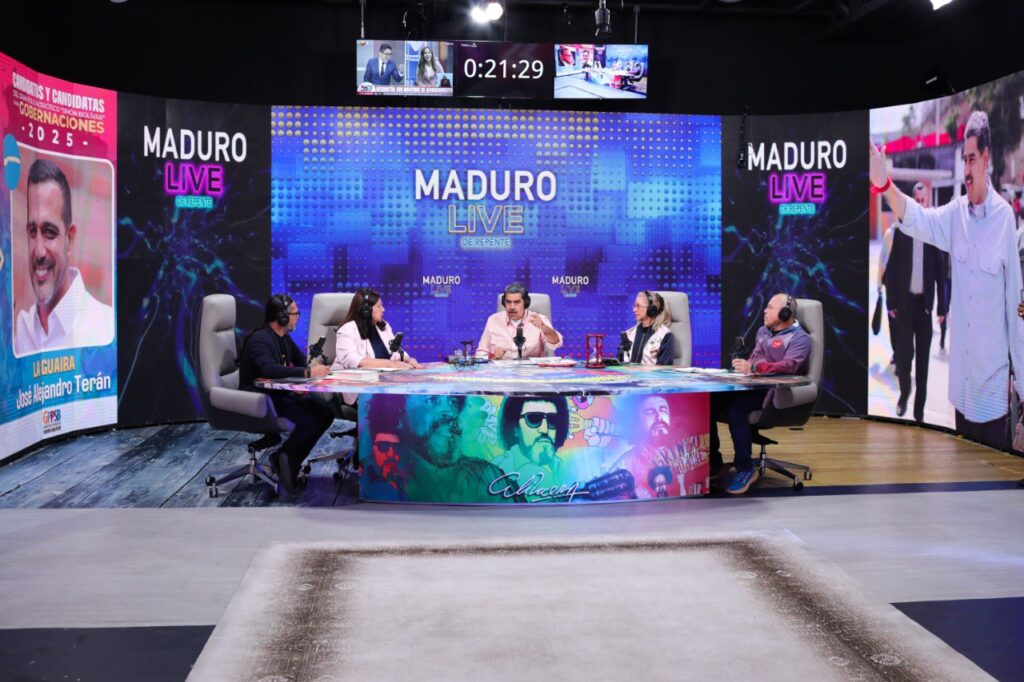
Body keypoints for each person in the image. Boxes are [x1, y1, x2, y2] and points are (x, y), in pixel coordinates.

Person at [870, 110, 1024, 448]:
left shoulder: (1004, 220)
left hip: (992, 397)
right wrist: (885, 185)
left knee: (992, 479)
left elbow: (1016, 314)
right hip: (961, 395)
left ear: (986, 158)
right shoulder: (955, 214)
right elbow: (918, 219)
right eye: (963, 160)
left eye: (972, 159)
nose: (967, 169)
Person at [709, 294, 812, 495]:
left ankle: (745, 468)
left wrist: (755, 367)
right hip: (751, 386)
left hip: (773, 393)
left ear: (785, 313)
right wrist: (744, 367)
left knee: (736, 410)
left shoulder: (800, 338)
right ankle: (715, 463)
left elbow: (790, 366)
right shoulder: (763, 332)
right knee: (708, 402)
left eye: (770, 307)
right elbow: (755, 359)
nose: (764, 310)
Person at [14, 158, 114, 355]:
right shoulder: (20, 332)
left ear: (70, 238)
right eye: (32, 231)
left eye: (50, 232)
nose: (39, 251)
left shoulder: (105, 328)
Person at [238, 294, 334, 494]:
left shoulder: (282, 337)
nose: (298, 317)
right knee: (310, 420)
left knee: (326, 411)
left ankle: (289, 460)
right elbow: (268, 369)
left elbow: (300, 361)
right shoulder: (260, 339)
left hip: (278, 392)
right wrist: (306, 374)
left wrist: (312, 370)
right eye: (295, 313)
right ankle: (284, 458)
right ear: (282, 317)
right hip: (260, 398)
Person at [884, 182, 947, 421]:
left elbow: (941, 272)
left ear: (927, 201)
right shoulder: (903, 230)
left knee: (923, 361)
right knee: (903, 356)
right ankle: (904, 394)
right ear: (913, 201)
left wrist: (942, 307)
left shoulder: (934, 231)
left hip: (925, 308)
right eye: (917, 200)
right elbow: (891, 268)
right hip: (904, 306)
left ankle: (919, 410)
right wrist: (890, 303)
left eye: (923, 200)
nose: (920, 204)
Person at [492, 397, 570, 499]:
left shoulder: (560, 465)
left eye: (553, 420)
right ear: (515, 428)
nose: (544, 429)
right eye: (533, 419)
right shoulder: (498, 469)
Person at [332, 288, 421, 371]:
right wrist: (389, 364)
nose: (383, 309)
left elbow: (395, 353)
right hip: (350, 379)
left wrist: (408, 360)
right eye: (379, 306)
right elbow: (351, 359)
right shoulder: (347, 329)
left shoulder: (383, 326)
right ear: (366, 310)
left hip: (382, 378)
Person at [476, 282, 562, 360]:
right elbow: (481, 352)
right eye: (508, 302)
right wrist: (493, 357)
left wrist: (543, 327)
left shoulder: (539, 320)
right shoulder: (493, 320)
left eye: (517, 302)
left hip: (531, 370)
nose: (512, 307)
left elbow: (556, 343)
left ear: (525, 303)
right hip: (501, 370)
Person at [622, 290, 674, 365]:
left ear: (651, 309)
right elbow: (620, 364)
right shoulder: (629, 334)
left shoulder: (665, 335)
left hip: (652, 373)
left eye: (638, 306)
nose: (634, 310)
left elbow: (664, 369)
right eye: (634, 306)